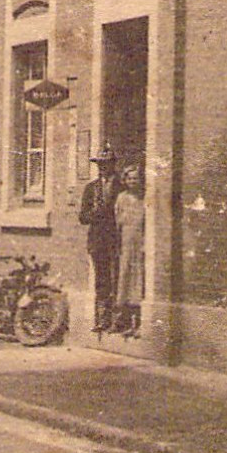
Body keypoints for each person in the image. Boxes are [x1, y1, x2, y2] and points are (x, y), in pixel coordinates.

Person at [79, 144, 123, 333]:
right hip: (98, 240)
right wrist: (93, 213)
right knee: (101, 279)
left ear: (114, 165)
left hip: (117, 239)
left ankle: (118, 319)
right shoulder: (91, 189)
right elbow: (82, 217)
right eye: (100, 164)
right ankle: (101, 318)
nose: (103, 167)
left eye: (107, 163)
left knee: (118, 278)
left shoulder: (122, 186)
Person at [114, 166, 145, 336]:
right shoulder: (121, 198)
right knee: (124, 278)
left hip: (139, 244)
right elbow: (117, 223)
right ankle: (124, 321)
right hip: (126, 243)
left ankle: (138, 323)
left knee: (138, 280)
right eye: (130, 178)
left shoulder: (144, 198)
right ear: (125, 181)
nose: (133, 181)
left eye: (136, 178)